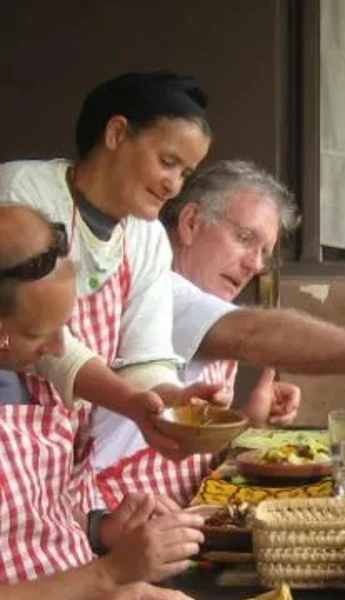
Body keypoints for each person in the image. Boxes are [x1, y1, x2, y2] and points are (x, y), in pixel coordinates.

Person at [94, 160, 345, 507]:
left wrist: (252, 421)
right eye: (243, 238)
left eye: (263, 253)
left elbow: (185, 449)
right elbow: (250, 332)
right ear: (190, 222)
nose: (254, 265)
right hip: (115, 522)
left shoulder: (205, 304)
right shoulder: (163, 292)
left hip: (184, 512)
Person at [0, 71, 223, 581]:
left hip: (59, 480)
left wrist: (169, 404)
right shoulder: (21, 197)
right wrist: (131, 403)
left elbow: (143, 362)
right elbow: (41, 341)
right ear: (117, 133)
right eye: (168, 161)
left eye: (186, 173)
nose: (173, 183)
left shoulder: (146, 240)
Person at [0, 206, 200, 599]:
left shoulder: (33, 375)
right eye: (39, 332)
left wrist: (100, 528)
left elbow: (27, 517)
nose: (60, 348)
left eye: (64, 327)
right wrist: (110, 574)